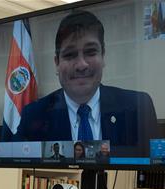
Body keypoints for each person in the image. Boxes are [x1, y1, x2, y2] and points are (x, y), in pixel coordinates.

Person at [12, 10, 158, 157]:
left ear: (103, 56)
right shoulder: (33, 115)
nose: (81, 65)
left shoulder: (139, 107)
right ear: (57, 63)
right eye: (70, 55)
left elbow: (153, 165)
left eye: (90, 52)